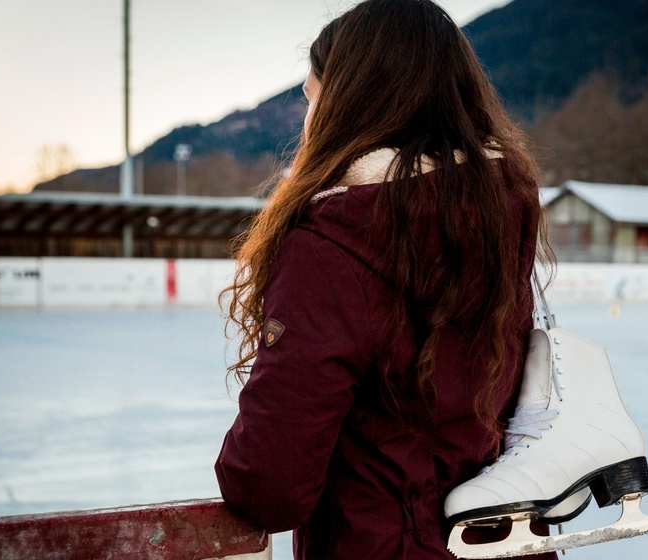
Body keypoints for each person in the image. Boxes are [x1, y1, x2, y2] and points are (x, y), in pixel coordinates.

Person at [214, 1, 554, 558]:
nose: (307, 122)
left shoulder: (336, 241)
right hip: (507, 548)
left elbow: (268, 484)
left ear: (347, 105)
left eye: (311, 98)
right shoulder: (498, 221)